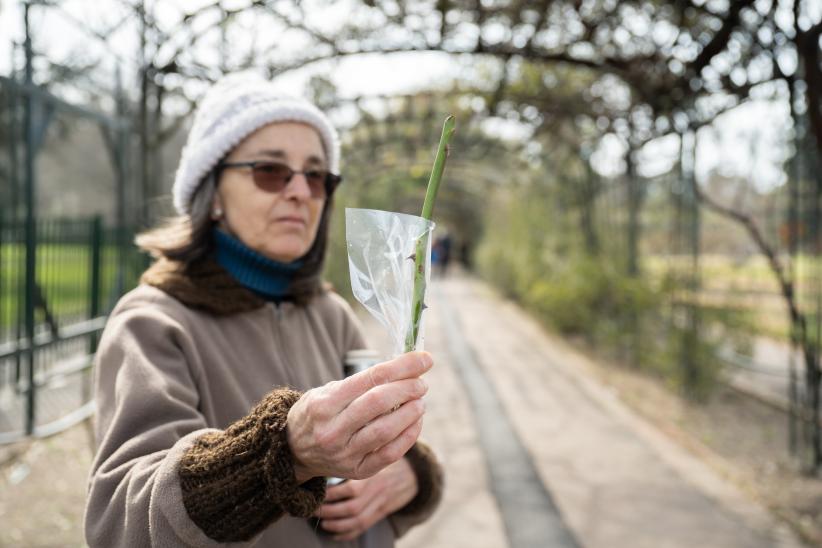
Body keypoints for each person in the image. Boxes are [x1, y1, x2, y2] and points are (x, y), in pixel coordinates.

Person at [84, 74, 443, 547]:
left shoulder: (331, 313)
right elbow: (120, 522)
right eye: (271, 171)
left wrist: (411, 475)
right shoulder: (152, 324)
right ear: (211, 193)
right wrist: (284, 452)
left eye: (316, 176)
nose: (299, 191)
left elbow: (365, 471)